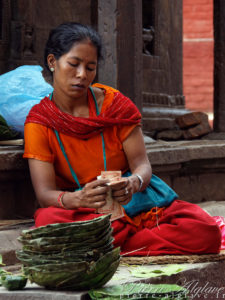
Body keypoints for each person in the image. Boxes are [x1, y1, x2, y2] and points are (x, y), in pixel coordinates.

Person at [23, 22, 221, 256]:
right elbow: (45, 193)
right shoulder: (40, 121)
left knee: (206, 231)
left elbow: (142, 165)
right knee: (48, 219)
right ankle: (125, 239)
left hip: (137, 203)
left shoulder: (114, 106)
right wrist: (78, 198)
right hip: (86, 209)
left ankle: (112, 242)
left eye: (90, 67)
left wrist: (133, 182)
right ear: (52, 62)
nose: (81, 75)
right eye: (74, 64)